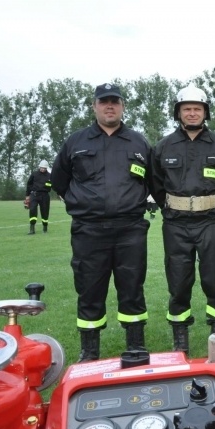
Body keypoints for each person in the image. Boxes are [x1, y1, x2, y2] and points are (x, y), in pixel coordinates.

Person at [51, 83, 151, 362]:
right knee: (89, 287)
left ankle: (135, 344)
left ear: (123, 106)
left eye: (115, 102)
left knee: (132, 286)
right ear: (94, 106)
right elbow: (59, 180)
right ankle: (90, 350)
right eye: (104, 102)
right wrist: (82, 203)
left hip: (130, 229)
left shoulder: (139, 142)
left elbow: (152, 181)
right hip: (89, 231)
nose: (110, 106)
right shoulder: (76, 141)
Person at [150, 84, 215, 356]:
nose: (192, 113)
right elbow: (156, 185)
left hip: (212, 222)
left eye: (197, 109)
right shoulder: (163, 147)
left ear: (205, 112)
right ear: (178, 113)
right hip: (176, 224)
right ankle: (180, 339)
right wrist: (173, 208)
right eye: (187, 109)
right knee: (179, 281)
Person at [25, 159, 52, 234]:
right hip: (34, 195)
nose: (42, 169)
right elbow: (29, 184)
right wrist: (27, 195)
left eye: (44, 168)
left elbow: (51, 186)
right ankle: (32, 229)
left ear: (46, 168)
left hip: (45, 196)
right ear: (39, 167)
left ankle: (45, 227)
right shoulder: (34, 174)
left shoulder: (50, 176)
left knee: (45, 212)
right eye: (41, 167)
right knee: (32, 210)